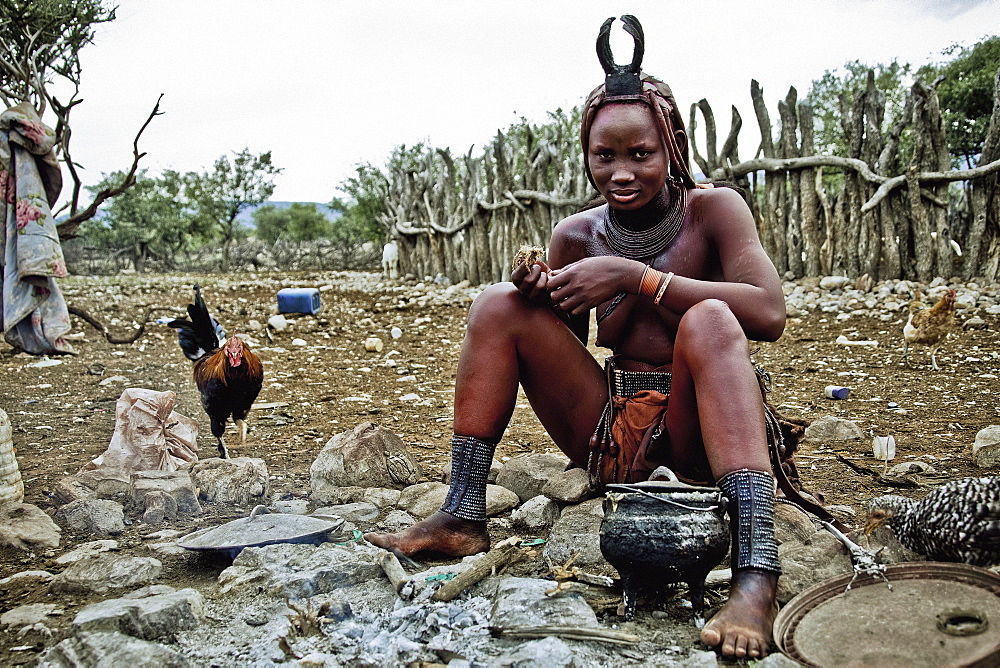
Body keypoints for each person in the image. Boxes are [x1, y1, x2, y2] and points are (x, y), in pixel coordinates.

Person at [365, 15, 785, 660]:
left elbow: (769, 313)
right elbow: (560, 349)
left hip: (699, 433)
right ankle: (462, 511)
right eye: (604, 155)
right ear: (585, 156)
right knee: (497, 304)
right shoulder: (578, 234)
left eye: (640, 154)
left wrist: (640, 279)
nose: (621, 171)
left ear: (671, 145)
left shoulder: (714, 210)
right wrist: (539, 295)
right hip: (612, 437)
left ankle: (757, 577)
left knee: (709, 319)